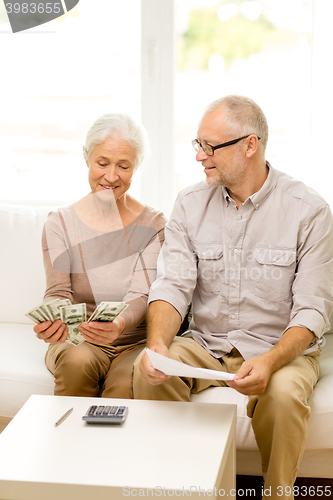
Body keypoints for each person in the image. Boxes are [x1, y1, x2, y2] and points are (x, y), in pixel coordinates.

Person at [133, 95, 333, 498]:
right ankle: (182, 490)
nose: (199, 157)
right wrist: (157, 346)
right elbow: (172, 285)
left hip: (279, 350)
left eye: (210, 147)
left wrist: (270, 360)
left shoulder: (308, 211)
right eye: (198, 145)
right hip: (208, 344)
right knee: (149, 372)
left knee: (284, 397)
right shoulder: (190, 205)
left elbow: (312, 310)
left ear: (250, 145)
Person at [34, 113, 166, 398]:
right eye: (102, 163)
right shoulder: (59, 223)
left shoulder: (153, 224)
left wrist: (118, 324)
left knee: (126, 384)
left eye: (124, 166)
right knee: (76, 363)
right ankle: (68, 442)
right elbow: (57, 291)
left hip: (134, 342)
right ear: (86, 158)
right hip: (79, 339)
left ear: (136, 166)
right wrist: (53, 320)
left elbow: (143, 295)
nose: (111, 176)